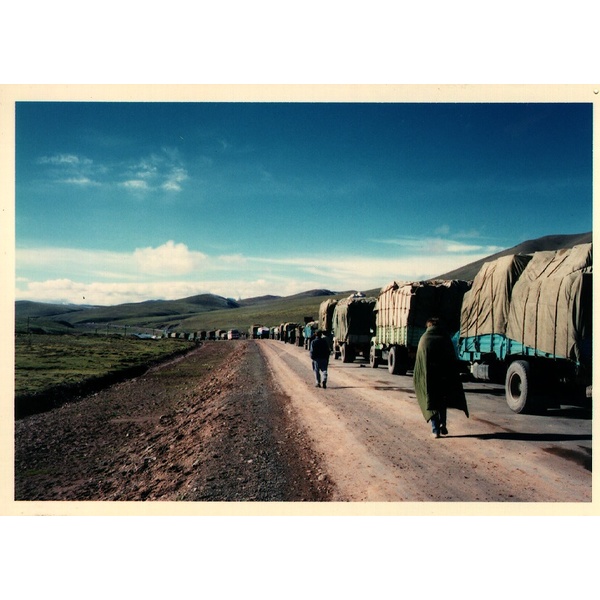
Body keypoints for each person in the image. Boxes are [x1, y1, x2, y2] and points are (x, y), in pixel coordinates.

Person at [413, 317, 469, 438]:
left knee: (431, 402)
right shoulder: (445, 339)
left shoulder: (424, 339)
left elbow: (420, 364)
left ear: (428, 326)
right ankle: (443, 423)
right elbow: (452, 360)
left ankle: (435, 430)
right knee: (442, 402)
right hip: (444, 377)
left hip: (429, 378)